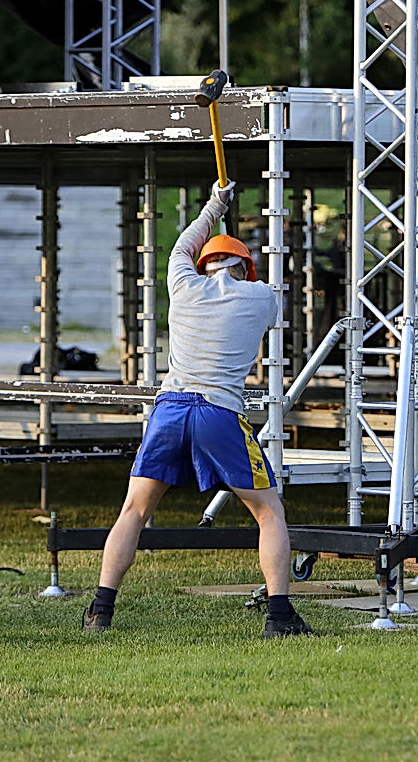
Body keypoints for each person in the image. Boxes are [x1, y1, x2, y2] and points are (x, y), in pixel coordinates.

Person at [82, 180, 313, 638]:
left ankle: (100, 610)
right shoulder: (263, 297)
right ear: (245, 268)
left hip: (169, 409)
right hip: (219, 413)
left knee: (133, 511)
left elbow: (185, 244)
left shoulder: (183, 285)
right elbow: (268, 283)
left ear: (203, 266)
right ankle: (280, 616)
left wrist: (215, 204)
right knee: (269, 513)